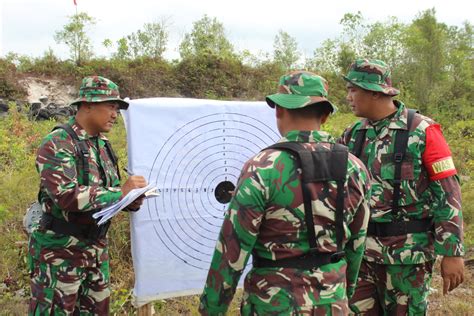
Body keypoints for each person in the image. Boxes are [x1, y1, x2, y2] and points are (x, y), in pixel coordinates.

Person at [199, 71, 371, 315]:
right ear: (324, 115)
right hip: (332, 302)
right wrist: (343, 290)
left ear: (279, 111)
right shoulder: (355, 168)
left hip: (273, 304)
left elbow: (232, 251)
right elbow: (357, 243)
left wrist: (211, 310)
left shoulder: (262, 167)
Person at [339, 59, 465, 315]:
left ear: (375, 92)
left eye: (354, 89)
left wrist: (452, 252)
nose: (348, 96)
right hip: (361, 256)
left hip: (407, 258)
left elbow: (448, 193)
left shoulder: (422, 131)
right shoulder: (353, 134)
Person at [28, 76, 147, 315]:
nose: (115, 114)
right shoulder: (58, 142)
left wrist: (129, 200)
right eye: (110, 106)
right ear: (87, 105)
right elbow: (66, 196)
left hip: (95, 251)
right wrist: (120, 192)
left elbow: (109, 192)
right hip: (60, 254)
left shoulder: (102, 145)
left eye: (117, 108)